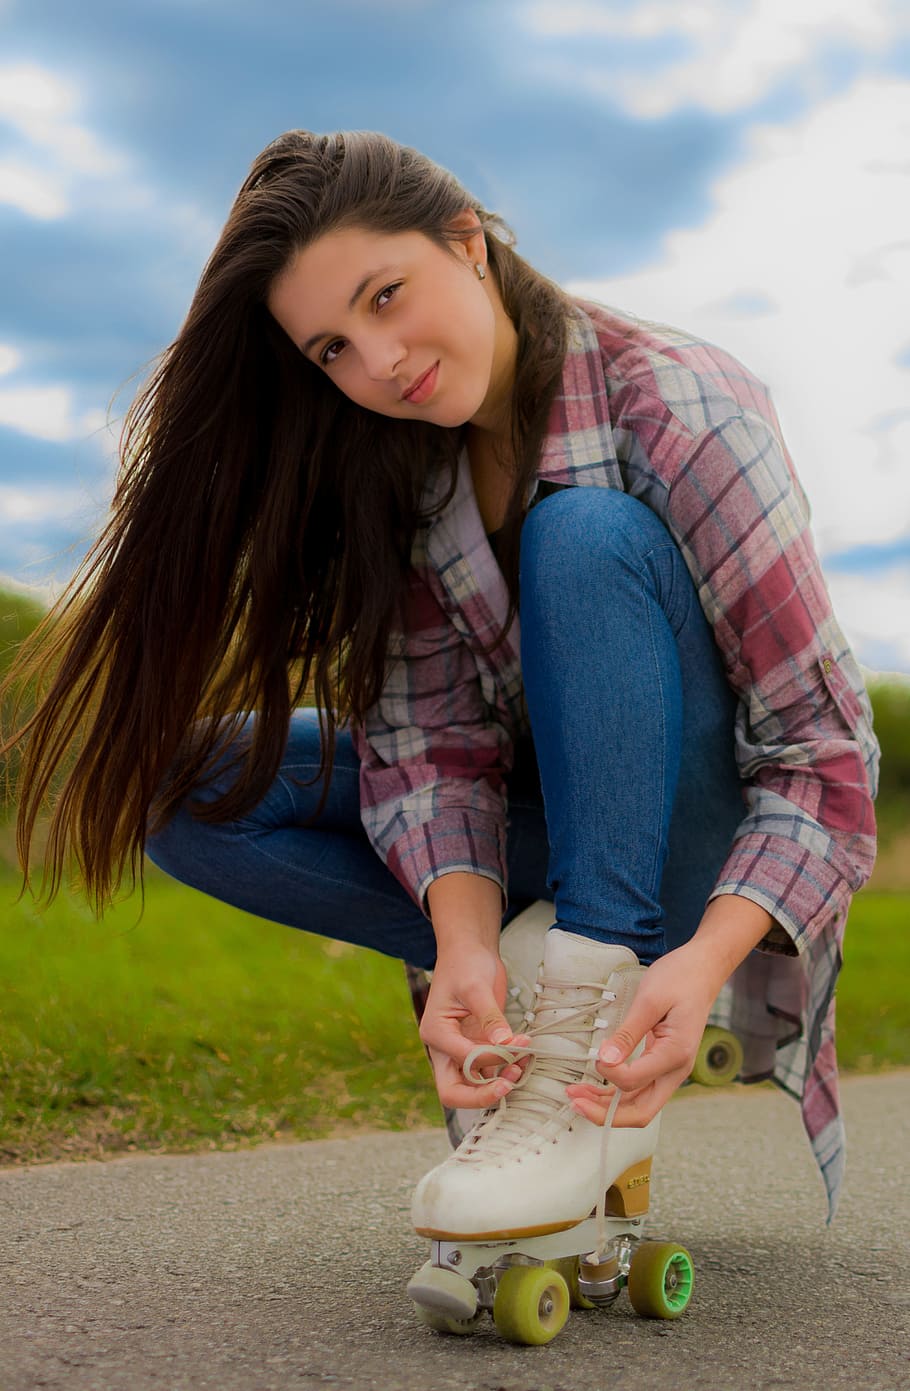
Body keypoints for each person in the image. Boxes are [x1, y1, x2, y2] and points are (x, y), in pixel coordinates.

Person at [3, 130, 878, 1234]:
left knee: (583, 534)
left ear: (467, 240)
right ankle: (527, 982)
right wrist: (462, 942)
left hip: (696, 844)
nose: (378, 362)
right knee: (185, 787)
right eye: (333, 347)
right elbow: (431, 746)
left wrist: (704, 960)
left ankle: (585, 1027)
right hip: (539, 832)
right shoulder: (400, 464)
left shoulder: (681, 406)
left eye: (386, 296)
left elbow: (824, 756)